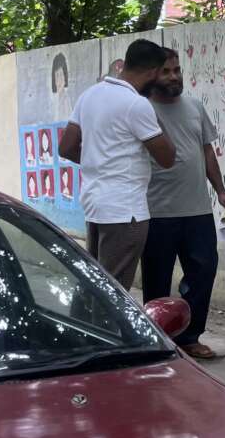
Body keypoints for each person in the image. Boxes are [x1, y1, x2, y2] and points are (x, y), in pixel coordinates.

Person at [59, 40, 175, 289]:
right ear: (153, 72)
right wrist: (154, 118)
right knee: (114, 294)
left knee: (97, 286)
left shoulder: (90, 95)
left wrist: (97, 159)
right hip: (126, 212)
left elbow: (66, 148)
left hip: (94, 206)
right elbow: (167, 158)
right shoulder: (137, 104)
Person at [141, 48, 225, 359]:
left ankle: (190, 336)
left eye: (177, 70)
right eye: (167, 71)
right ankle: (157, 340)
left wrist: (220, 191)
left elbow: (206, 151)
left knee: (203, 270)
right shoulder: (141, 109)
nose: (174, 76)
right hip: (156, 211)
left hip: (197, 210)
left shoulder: (194, 106)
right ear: (153, 74)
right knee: (157, 279)